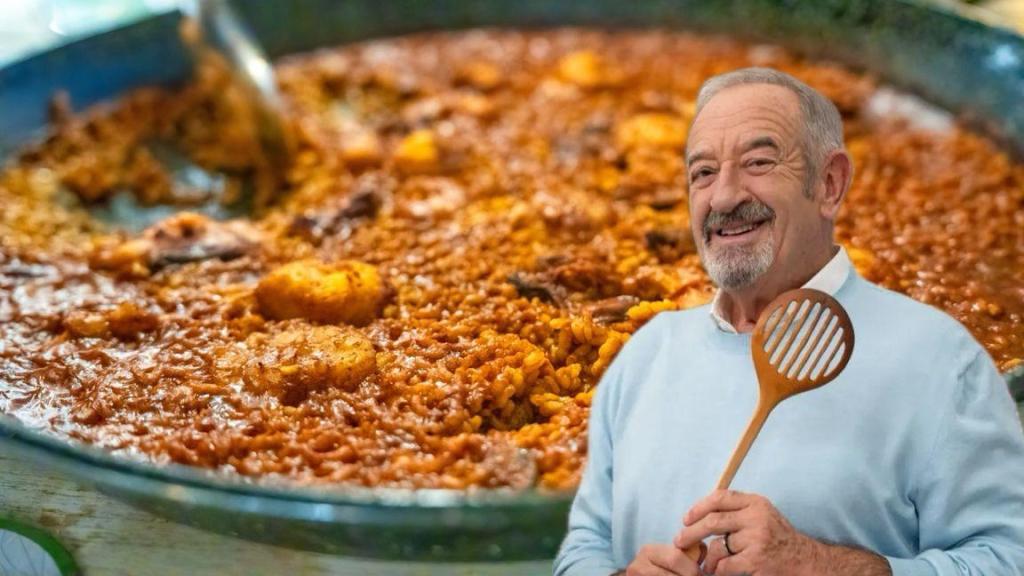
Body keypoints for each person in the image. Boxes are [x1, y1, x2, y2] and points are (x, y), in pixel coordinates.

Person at [552, 67, 1024, 576]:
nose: (725, 196)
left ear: (829, 184)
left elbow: (1007, 559)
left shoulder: (941, 357)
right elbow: (582, 547)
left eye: (758, 162)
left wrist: (820, 565)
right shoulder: (643, 354)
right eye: (703, 173)